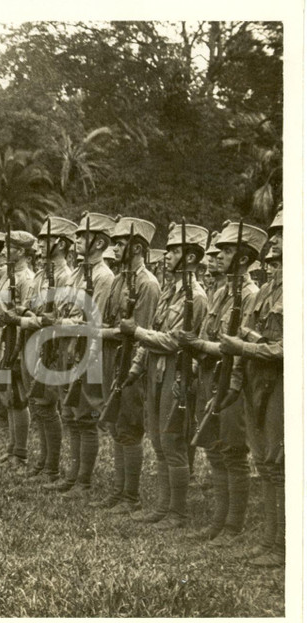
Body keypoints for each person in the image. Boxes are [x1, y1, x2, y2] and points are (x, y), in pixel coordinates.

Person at [179, 221, 265, 546]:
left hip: (233, 382)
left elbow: (236, 346)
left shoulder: (251, 296)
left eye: (227, 252)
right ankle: (218, 521)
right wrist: (197, 351)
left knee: (232, 452)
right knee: (214, 449)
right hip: (209, 376)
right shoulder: (220, 293)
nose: (219, 257)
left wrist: (200, 345)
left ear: (242, 259)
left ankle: (233, 526)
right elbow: (207, 333)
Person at [121, 222, 209, 529]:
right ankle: (162, 507)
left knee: (173, 442)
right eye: (169, 250)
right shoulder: (171, 291)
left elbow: (174, 341)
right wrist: (136, 367)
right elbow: (155, 331)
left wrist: (136, 332)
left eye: (175, 251)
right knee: (159, 442)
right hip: (156, 370)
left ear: (191, 257)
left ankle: (177, 512)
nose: (168, 255)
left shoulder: (196, 297)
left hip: (177, 371)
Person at [221, 209, 283, 567]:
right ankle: (268, 540)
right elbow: (241, 338)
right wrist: (234, 382)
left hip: (282, 383)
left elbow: (289, 348)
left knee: (278, 463)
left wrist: (246, 347)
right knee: (264, 462)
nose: (274, 241)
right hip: (255, 381)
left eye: (282, 235)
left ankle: (282, 545)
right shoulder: (265, 291)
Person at [53, 213, 118, 497]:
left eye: (83, 236)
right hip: (68, 347)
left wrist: (63, 323)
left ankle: (84, 481)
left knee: (85, 416)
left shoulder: (104, 276)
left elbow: (94, 320)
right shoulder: (78, 273)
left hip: (88, 350)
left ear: (99, 243)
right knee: (69, 413)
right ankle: (73, 475)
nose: (77, 240)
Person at [20, 216, 76, 484]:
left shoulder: (66, 276)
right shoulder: (41, 274)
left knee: (47, 404)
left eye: (46, 240)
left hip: (53, 345)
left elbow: (58, 315)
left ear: (62, 244)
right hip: (35, 340)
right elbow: (30, 305)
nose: (40, 244)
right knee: (38, 404)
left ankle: (52, 466)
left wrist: (36, 317)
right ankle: (43, 462)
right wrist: (29, 315)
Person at [0, 229, 37, 469]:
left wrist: (17, 350)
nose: (3, 251)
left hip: (18, 338)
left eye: (9, 247)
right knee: (9, 395)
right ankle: (12, 447)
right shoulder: (7, 275)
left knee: (19, 396)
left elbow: (25, 313)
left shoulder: (26, 278)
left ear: (20, 251)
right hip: (6, 336)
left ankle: (20, 452)